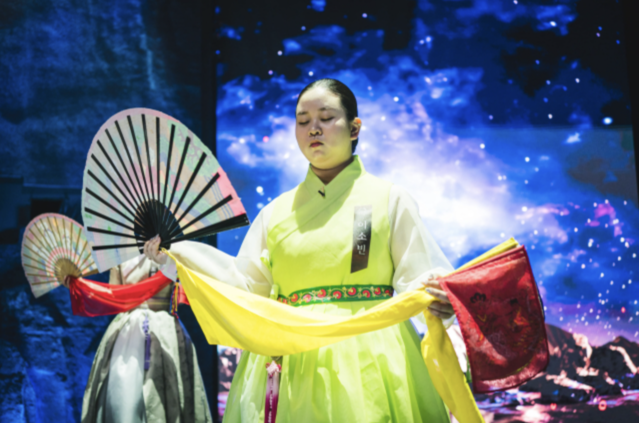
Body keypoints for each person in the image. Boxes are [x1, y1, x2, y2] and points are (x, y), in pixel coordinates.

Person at [144, 78, 457, 422]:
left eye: (326, 118)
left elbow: (418, 276)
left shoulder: (388, 199)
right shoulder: (276, 213)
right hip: (291, 355)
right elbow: (245, 286)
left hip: (369, 353)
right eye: (303, 121)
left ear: (354, 128)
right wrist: (180, 257)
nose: (314, 129)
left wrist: (439, 295)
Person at [79, 254, 212, 423]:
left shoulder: (170, 250)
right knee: (123, 400)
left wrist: (167, 260)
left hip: (164, 329)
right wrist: (79, 285)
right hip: (127, 331)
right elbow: (112, 297)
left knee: (170, 398)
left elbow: (188, 284)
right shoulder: (119, 253)